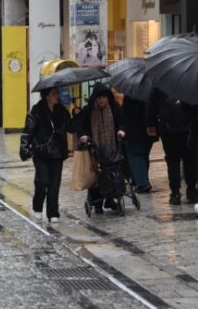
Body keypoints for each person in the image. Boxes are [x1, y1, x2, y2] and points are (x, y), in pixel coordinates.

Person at [19, 87, 71, 223]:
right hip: (41, 152)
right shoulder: (36, 112)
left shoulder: (62, 111)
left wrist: (75, 114)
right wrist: (25, 148)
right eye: (54, 94)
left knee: (54, 183)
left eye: (56, 93)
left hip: (57, 152)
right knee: (43, 180)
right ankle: (37, 207)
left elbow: (71, 127)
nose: (57, 96)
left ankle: (53, 212)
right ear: (47, 96)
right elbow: (28, 131)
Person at [75, 83, 126, 214]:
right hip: (95, 148)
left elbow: (122, 121)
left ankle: (111, 199)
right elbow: (81, 126)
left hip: (111, 148)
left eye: (104, 97)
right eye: (99, 98)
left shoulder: (114, 108)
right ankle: (96, 202)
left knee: (111, 171)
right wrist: (84, 135)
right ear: (95, 99)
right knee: (96, 175)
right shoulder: (88, 110)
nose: (102, 100)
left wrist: (121, 130)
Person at [146, 90, 196, 206]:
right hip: (187, 129)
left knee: (172, 161)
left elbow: (151, 107)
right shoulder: (188, 80)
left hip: (168, 130)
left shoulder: (160, 83)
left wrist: (150, 124)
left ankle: (175, 193)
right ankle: (192, 190)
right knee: (190, 159)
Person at [121, 95, 157, 193]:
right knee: (144, 155)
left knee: (135, 155)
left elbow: (125, 113)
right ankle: (142, 179)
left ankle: (142, 183)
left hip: (134, 131)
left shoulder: (130, 94)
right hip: (148, 130)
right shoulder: (149, 92)